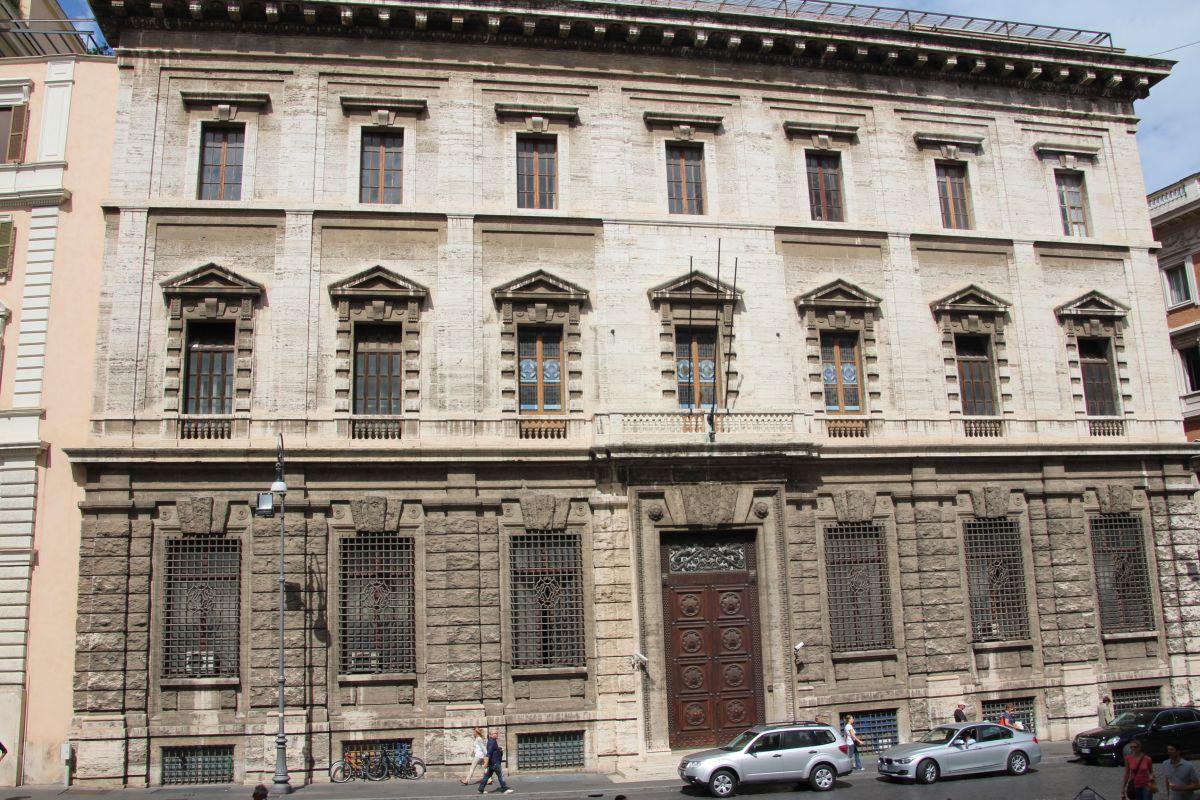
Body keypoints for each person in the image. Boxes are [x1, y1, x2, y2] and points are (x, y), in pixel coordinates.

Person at [478, 730, 513, 794]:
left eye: (497, 733)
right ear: (492, 734)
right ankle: (505, 788)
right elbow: (489, 753)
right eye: (496, 733)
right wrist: (486, 763)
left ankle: (481, 789)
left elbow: (493, 751)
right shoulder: (492, 742)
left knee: (487, 776)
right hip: (495, 762)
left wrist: (499, 749)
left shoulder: (491, 741)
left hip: (491, 763)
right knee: (500, 775)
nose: (497, 734)